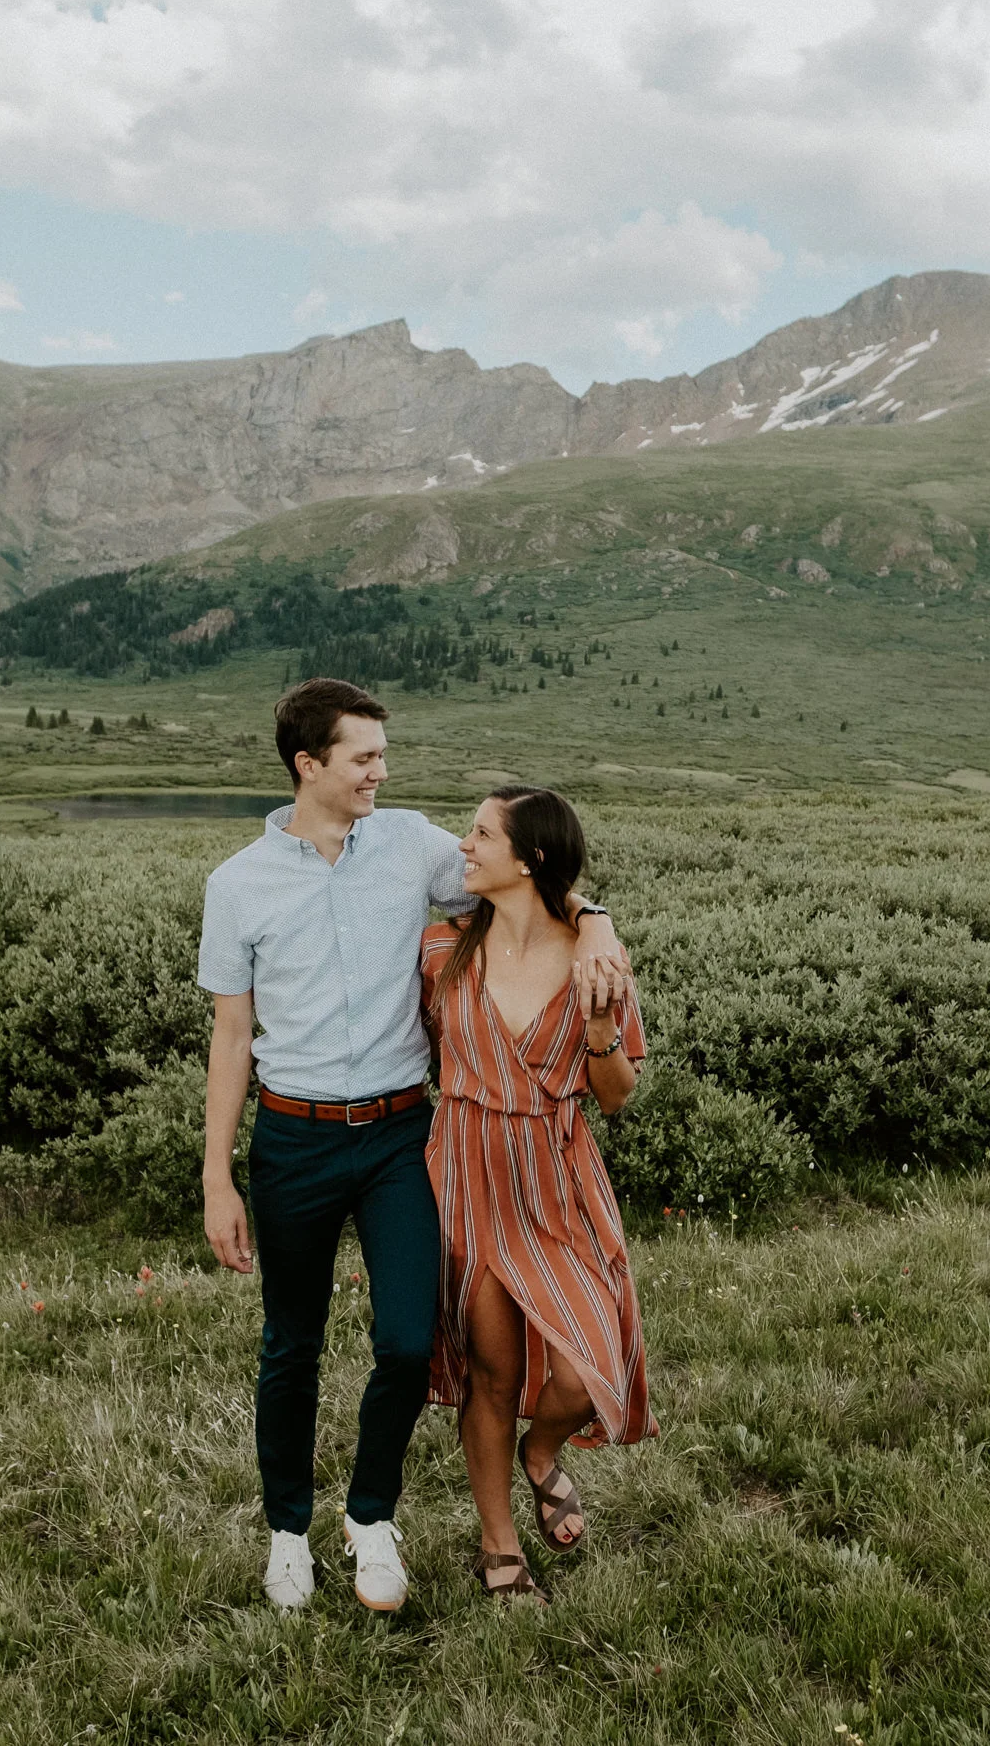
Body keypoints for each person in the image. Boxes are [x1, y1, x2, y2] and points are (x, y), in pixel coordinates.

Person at [197, 680, 625, 1613]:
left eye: (383, 756)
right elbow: (232, 1036)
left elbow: (527, 877)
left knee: (403, 1342)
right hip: (293, 1141)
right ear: (309, 766)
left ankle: (371, 1517)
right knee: (291, 1346)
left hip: (399, 1137)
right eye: (363, 759)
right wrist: (216, 1177)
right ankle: (287, 1534)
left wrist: (596, 922)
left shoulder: (409, 843)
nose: (381, 773)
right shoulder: (236, 886)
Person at [419, 786, 652, 1601]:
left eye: (480, 834)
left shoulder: (596, 961)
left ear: (529, 859)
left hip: (556, 1179)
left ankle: (542, 1452)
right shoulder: (441, 949)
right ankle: (498, 1547)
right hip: (469, 1175)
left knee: (589, 1373)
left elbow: (617, 1096)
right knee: (491, 1372)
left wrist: (598, 1031)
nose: (463, 845)